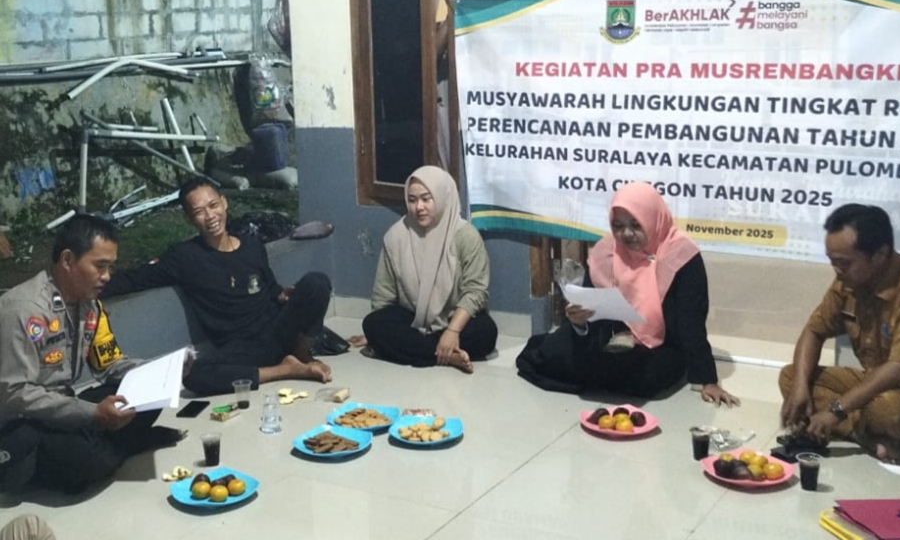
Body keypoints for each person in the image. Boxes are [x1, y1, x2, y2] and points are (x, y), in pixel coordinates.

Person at [0, 215, 183, 495]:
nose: (107, 276)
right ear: (67, 260)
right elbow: (15, 394)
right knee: (91, 462)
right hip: (19, 422)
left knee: (141, 399)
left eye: (110, 267)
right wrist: (92, 413)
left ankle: (104, 445)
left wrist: (161, 370)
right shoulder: (24, 310)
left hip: (62, 407)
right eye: (100, 266)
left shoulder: (88, 305)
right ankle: (113, 447)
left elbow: (109, 364)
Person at [101, 177, 333, 395]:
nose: (210, 216)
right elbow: (135, 279)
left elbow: (271, 289)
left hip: (278, 328)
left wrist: (284, 295)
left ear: (224, 203)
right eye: (199, 212)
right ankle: (285, 370)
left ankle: (301, 351)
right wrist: (92, 283)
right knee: (194, 375)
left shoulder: (252, 245)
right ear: (189, 219)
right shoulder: (185, 257)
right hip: (243, 347)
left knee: (317, 282)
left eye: (213, 205)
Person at [516, 182, 738, 405]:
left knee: (646, 378)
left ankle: (595, 374)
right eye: (618, 226)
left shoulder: (681, 255)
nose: (627, 234)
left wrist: (707, 379)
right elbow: (591, 311)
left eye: (636, 225)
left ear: (653, 218)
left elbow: (691, 322)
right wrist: (579, 322)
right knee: (548, 355)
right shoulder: (607, 252)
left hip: (660, 346)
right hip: (607, 337)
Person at [779, 204, 900, 462]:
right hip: (873, 380)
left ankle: (859, 428)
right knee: (791, 376)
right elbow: (814, 331)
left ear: (879, 254)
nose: (836, 270)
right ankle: (868, 436)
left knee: (884, 410)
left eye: (844, 263)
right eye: (832, 261)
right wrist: (799, 387)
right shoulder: (848, 280)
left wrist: (837, 410)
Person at [357, 166, 497, 373]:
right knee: (373, 323)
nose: (418, 207)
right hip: (414, 320)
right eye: (412, 200)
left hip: (454, 318)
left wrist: (452, 331)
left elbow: (476, 291)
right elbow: (383, 297)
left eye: (426, 199)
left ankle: (426, 350)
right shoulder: (396, 236)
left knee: (486, 331)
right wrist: (375, 333)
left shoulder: (465, 236)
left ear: (442, 197)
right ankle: (447, 355)